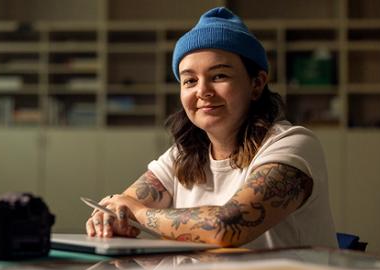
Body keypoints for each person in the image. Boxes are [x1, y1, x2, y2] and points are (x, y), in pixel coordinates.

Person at [85, 7, 337, 249]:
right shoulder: (182, 155)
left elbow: (226, 226)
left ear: (257, 84)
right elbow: (123, 206)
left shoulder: (292, 144)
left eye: (219, 76)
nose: (202, 91)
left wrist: (139, 213)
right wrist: (110, 217)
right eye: (190, 80)